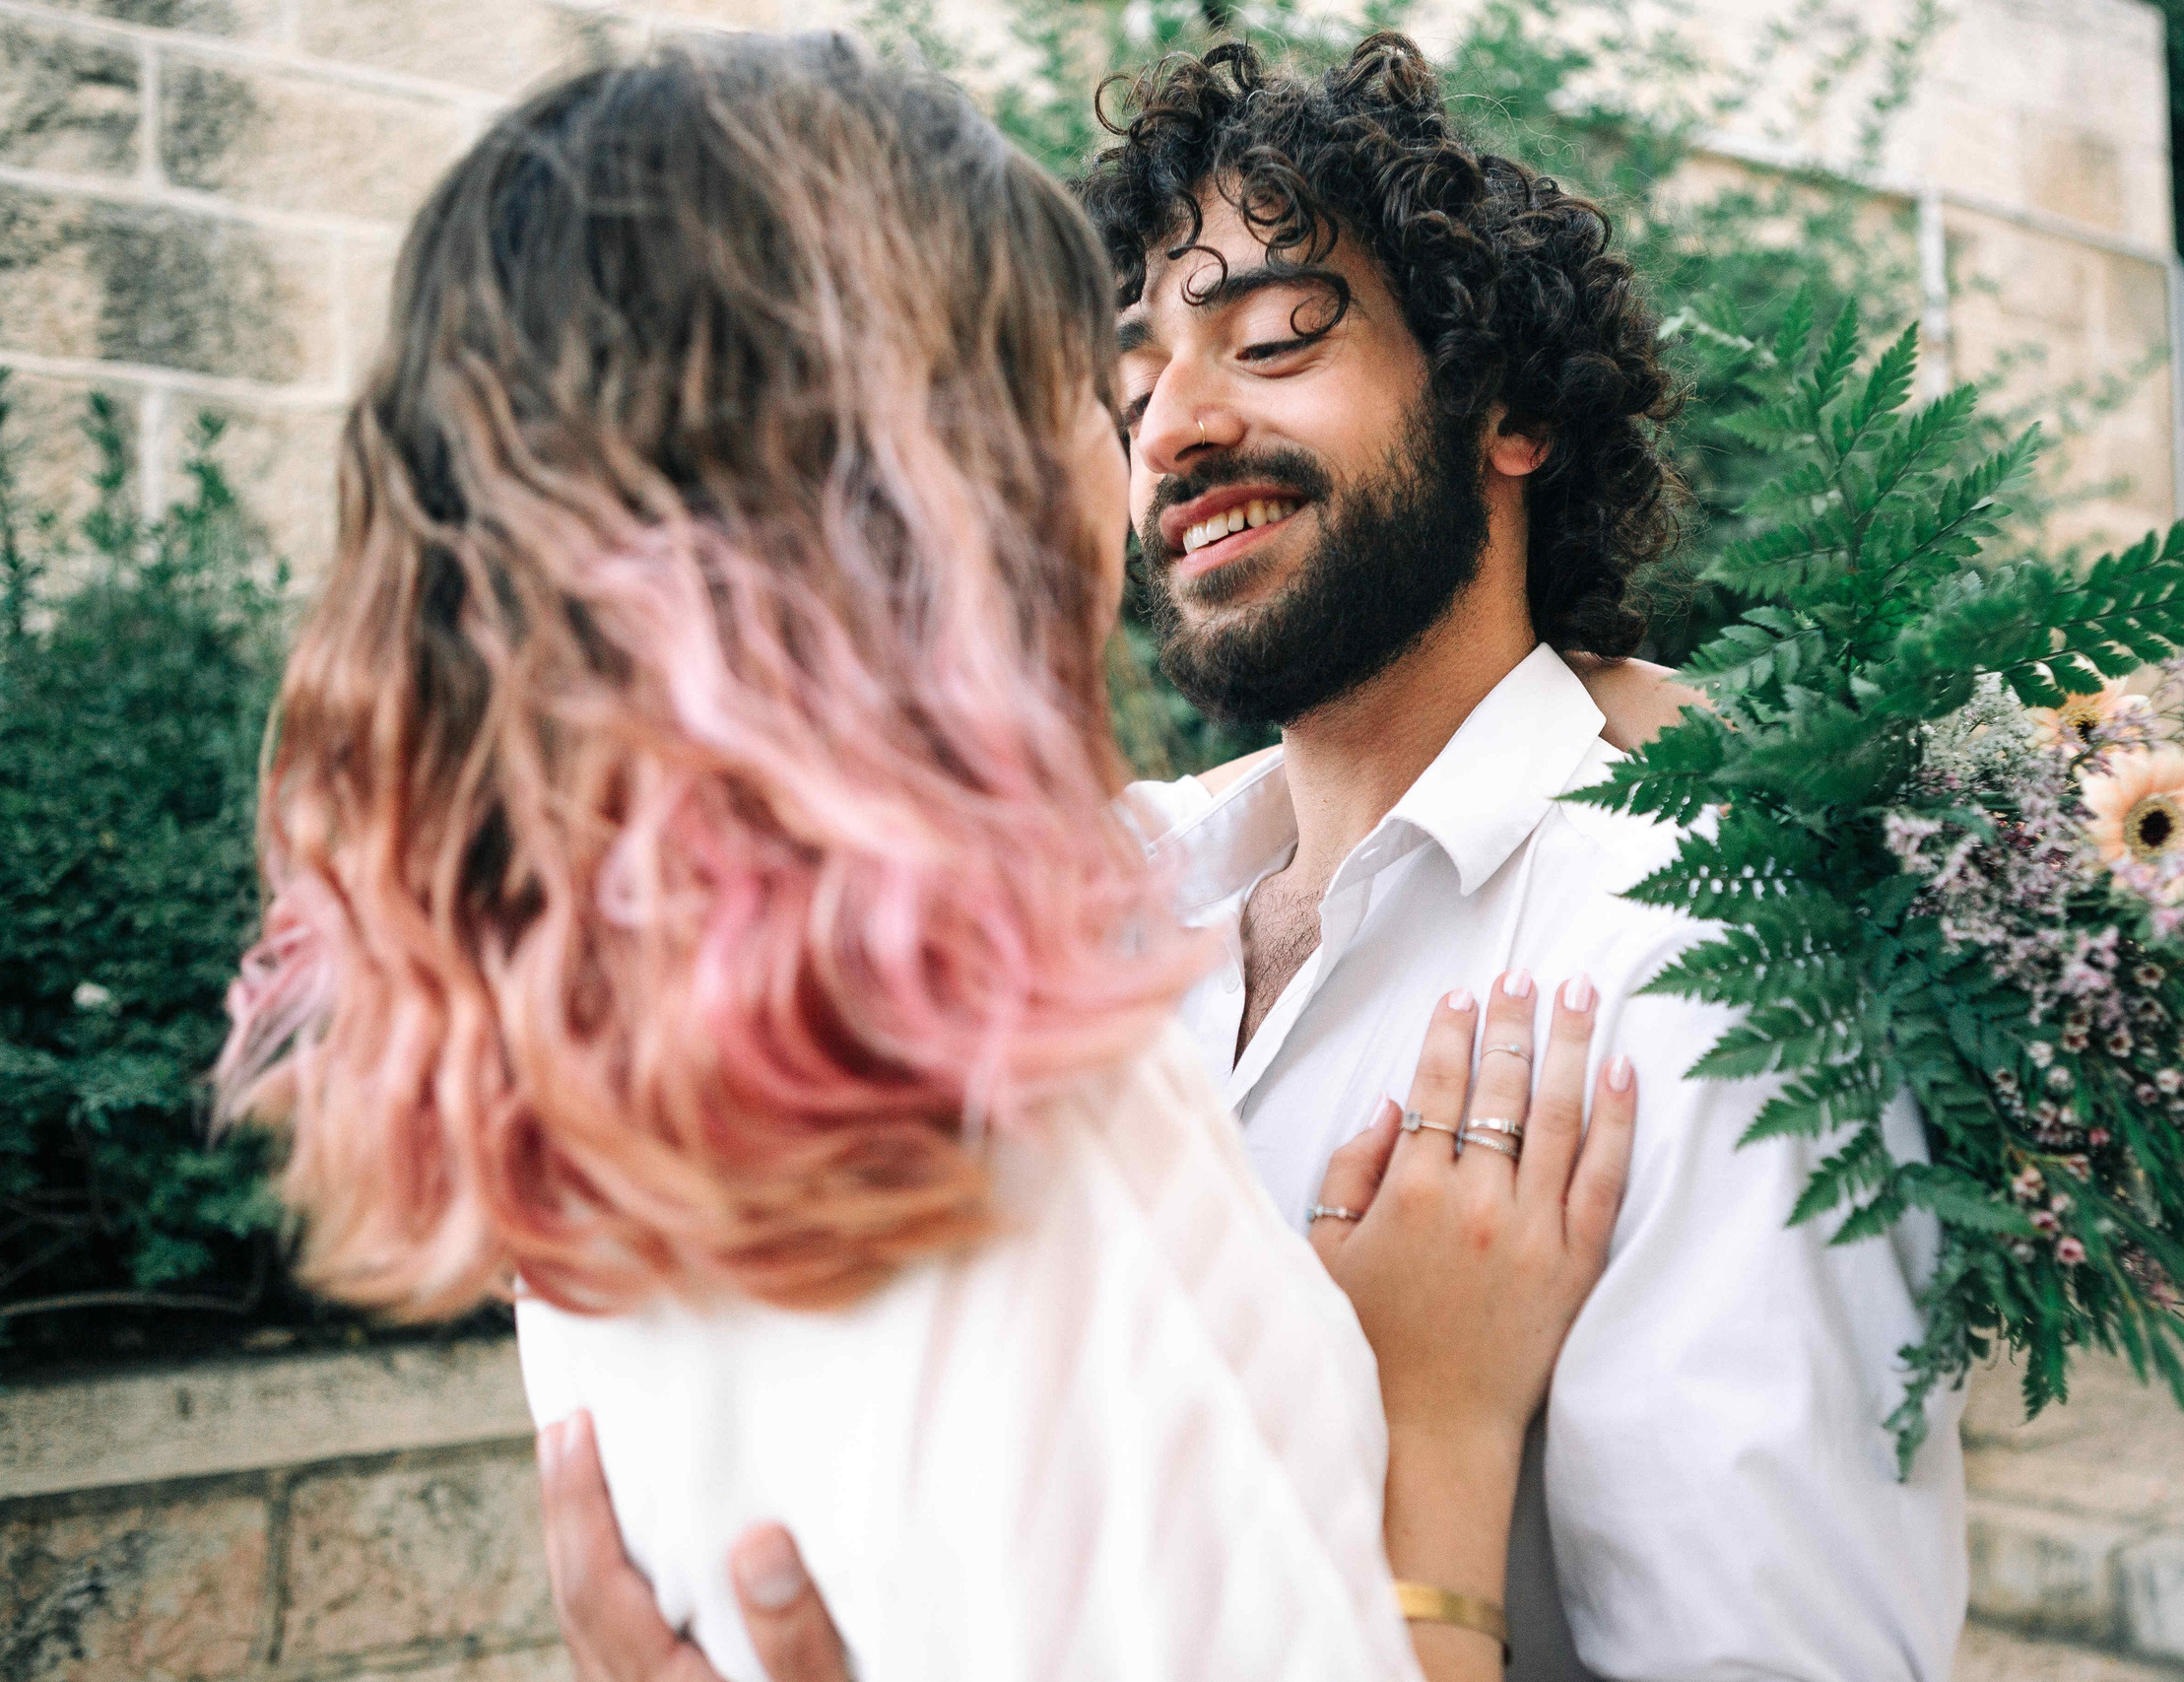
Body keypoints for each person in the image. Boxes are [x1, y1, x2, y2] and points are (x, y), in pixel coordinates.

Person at [215, 34, 1650, 1682]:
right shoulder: (1000, 1118)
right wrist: (1443, 1430)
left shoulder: (613, 1081)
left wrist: (1662, 723)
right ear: (912, 488)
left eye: (1265, 343)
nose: (1141, 444)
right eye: (1082, 391)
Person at [545, 31, 1970, 1682]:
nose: (1170, 430)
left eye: (1276, 337)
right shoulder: (1093, 909)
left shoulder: (1688, 954)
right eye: (1132, 382)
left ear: (1506, 405)